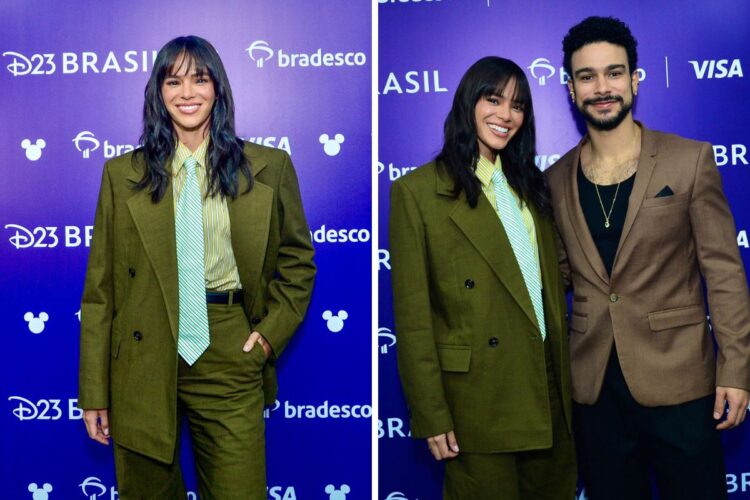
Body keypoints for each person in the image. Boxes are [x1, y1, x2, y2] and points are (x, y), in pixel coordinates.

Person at [78, 35, 316, 499]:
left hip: (229, 346)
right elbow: (100, 290)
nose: (187, 92)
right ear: (158, 93)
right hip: (142, 353)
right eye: (173, 81)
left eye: (199, 79)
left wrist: (267, 337)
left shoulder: (268, 167)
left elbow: (298, 262)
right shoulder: (120, 174)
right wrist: (94, 389)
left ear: (217, 89)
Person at [547, 16, 750, 500]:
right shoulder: (553, 181)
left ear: (634, 80)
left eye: (614, 73)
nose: (602, 87)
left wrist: (737, 370)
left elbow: (723, 272)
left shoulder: (689, 159)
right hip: (594, 391)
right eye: (587, 76)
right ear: (572, 90)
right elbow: (557, 279)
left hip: (681, 381)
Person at [389, 56, 576, 499]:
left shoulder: (533, 186)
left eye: (517, 105)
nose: (505, 115)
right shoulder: (417, 193)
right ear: (468, 103)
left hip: (548, 390)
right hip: (476, 403)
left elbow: (547, 277)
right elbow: (414, 320)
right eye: (493, 100)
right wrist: (432, 414)